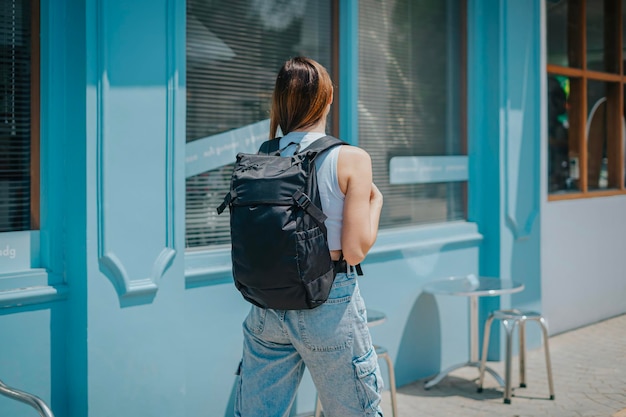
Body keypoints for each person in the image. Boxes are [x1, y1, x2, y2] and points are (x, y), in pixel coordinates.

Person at [234, 56, 385, 417]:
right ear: (328, 98)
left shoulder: (263, 156)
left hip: (266, 305)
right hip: (328, 302)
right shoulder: (351, 158)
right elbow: (355, 249)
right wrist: (376, 201)